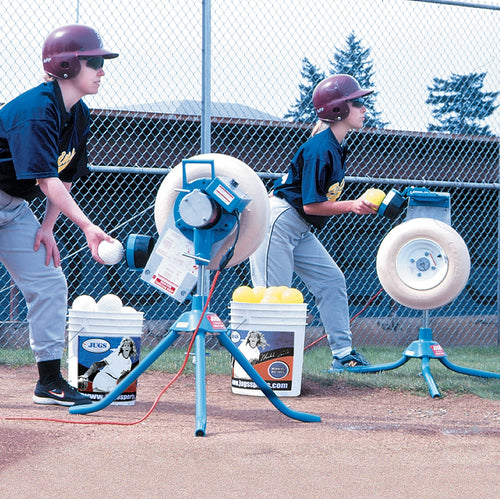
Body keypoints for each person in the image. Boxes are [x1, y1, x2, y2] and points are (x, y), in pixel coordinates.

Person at [0, 24, 119, 406]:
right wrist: (86, 226)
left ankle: (49, 382)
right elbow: (45, 179)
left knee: (49, 282)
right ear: (67, 65)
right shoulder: (36, 109)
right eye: (95, 61)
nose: (102, 69)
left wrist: (49, 227)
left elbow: (64, 177)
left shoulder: (77, 113)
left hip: (14, 208)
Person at [250, 74, 378, 373]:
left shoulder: (335, 145)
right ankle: (261, 367)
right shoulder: (321, 147)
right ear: (338, 110)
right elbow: (311, 205)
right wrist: (353, 206)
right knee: (274, 296)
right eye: (356, 102)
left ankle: (343, 354)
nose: (363, 108)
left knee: (331, 280)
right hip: (279, 223)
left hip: (299, 227)